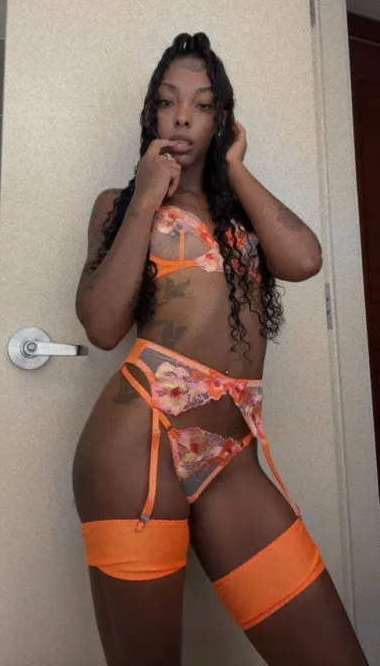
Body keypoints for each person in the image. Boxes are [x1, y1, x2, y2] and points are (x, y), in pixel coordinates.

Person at [72, 33, 368, 666]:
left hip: (230, 457)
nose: (183, 117)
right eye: (167, 101)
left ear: (221, 119)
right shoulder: (118, 206)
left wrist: (236, 167)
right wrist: (148, 193)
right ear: (151, 114)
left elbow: (305, 260)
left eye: (202, 105)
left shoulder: (240, 212)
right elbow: (101, 325)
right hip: (139, 441)